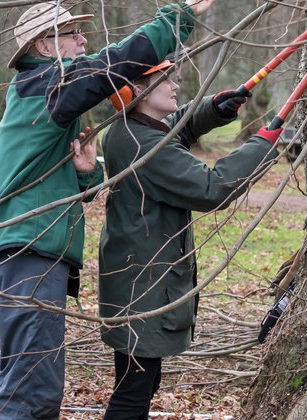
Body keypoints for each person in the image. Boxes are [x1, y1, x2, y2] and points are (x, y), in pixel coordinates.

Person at [0, 1, 217, 418]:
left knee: (15, 377)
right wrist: (178, 17)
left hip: (25, 253)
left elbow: (42, 180)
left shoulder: (42, 94)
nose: (83, 40)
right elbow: (116, 64)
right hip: (26, 255)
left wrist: (85, 176)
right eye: (72, 33)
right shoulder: (46, 85)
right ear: (45, 46)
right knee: (31, 388)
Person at [98, 61, 283, 418]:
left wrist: (212, 110)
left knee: (140, 385)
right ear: (136, 91)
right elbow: (211, 188)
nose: (174, 84)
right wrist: (261, 145)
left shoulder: (131, 129)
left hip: (134, 282)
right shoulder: (141, 144)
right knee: (133, 393)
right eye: (163, 79)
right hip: (142, 287)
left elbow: (172, 130)